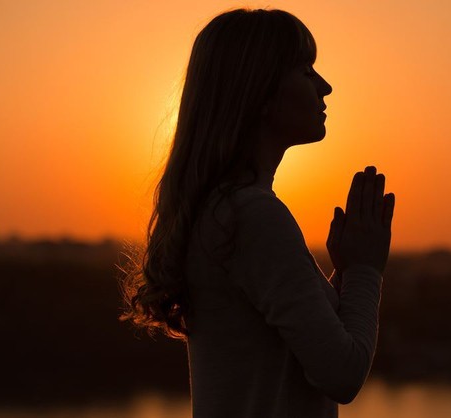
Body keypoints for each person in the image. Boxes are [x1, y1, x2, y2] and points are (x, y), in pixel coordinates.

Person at [120, 8, 395, 418]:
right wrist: (366, 270)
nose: (326, 86)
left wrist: (344, 275)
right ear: (260, 93)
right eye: (305, 70)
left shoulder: (221, 210)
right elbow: (341, 372)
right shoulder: (252, 216)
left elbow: (285, 348)